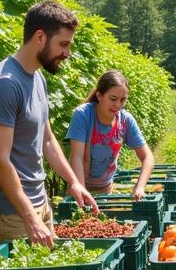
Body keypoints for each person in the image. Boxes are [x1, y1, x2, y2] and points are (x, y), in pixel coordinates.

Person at [0, 0, 98, 249]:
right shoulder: (5, 84)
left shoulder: (37, 78)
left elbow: (47, 139)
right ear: (40, 37)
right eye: (63, 44)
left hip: (38, 202)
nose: (67, 53)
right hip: (11, 212)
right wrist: (30, 217)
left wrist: (73, 181)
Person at [66, 70, 155, 199]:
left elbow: (148, 157)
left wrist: (140, 187)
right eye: (113, 99)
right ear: (99, 96)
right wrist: (81, 191)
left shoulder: (125, 120)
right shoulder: (83, 115)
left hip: (106, 190)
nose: (118, 105)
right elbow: (77, 157)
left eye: (123, 100)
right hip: (79, 189)